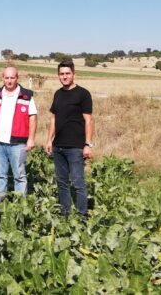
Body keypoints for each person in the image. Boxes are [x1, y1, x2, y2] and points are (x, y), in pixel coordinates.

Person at [45, 60, 94, 217]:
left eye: (67, 73)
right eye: (61, 74)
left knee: (78, 182)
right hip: (58, 145)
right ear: (58, 75)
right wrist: (48, 140)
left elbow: (89, 120)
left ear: (73, 74)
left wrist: (87, 144)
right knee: (62, 182)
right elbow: (54, 119)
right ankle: (65, 213)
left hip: (75, 147)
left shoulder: (83, 94)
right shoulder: (58, 94)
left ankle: (82, 216)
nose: (64, 76)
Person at [0, 66, 37, 194]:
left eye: (12, 78)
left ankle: (19, 208)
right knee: (0, 175)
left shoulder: (26, 95)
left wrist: (31, 139)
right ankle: (0, 205)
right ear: (3, 78)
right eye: (7, 78)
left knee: (19, 176)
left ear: (17, 78)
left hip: (18, 144)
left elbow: (33, 118)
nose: (9, 81)